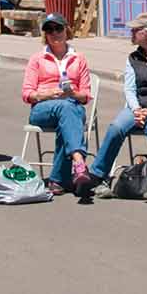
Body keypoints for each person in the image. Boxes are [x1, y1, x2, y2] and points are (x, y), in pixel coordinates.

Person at [86, 12, 147, 202]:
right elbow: (129, 89)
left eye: (136, 30)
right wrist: (137, 109)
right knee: (116, 127)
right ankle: (98, 177)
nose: (131, 32)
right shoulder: (133, 58)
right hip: (138, 108)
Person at [21, 14, 92, 194]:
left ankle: (58, 181)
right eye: (49, 30)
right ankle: (79, 160)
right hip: (43, 108)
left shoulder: (79, 58)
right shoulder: (37, 59)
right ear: (45, 34)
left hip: (71, 104)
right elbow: (27, 94)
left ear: (66, 30)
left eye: (58, 28)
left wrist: (72, 93)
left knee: (67, 115)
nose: (54, 33)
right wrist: (45, 94)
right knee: (67, 110)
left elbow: (85, 96)